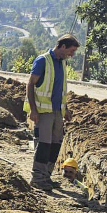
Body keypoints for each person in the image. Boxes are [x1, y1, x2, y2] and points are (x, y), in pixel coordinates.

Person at [24, 33, 80, 190]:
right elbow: (30, 84)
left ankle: (46, 176)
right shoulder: (43, 60)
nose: (72, 54)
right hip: (44, 111)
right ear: (62, 46)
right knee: (44, 144)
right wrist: (33, 110)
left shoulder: (61, 63)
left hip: (57, 111)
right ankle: (37, 177)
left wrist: (66, 109)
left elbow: (60, 89)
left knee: (55, 144)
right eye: (71, 50)